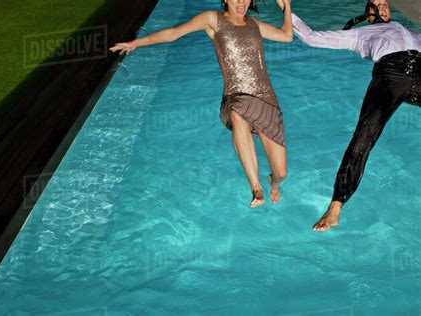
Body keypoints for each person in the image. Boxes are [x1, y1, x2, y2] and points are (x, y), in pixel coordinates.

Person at [110, 0, 293, 207]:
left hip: (266, 99)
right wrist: (136, 43)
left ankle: (273, 183)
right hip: (236, 96)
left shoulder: (255, 24)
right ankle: (256, 188)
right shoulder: (213, 20)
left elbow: (287, 35)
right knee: (237, 112)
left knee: (281, 172)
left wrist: (287, 5)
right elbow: (173, 33)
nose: (241, 2)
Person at [283, 0, 421, 231]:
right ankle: (336, 207)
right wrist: (285, 7)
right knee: (364, 136)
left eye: (385, 2)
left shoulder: (411, 31)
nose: (382, 6)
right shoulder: (360, 35)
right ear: (368, 14)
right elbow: (311, 37)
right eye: (376, 3)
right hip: (390, 76)